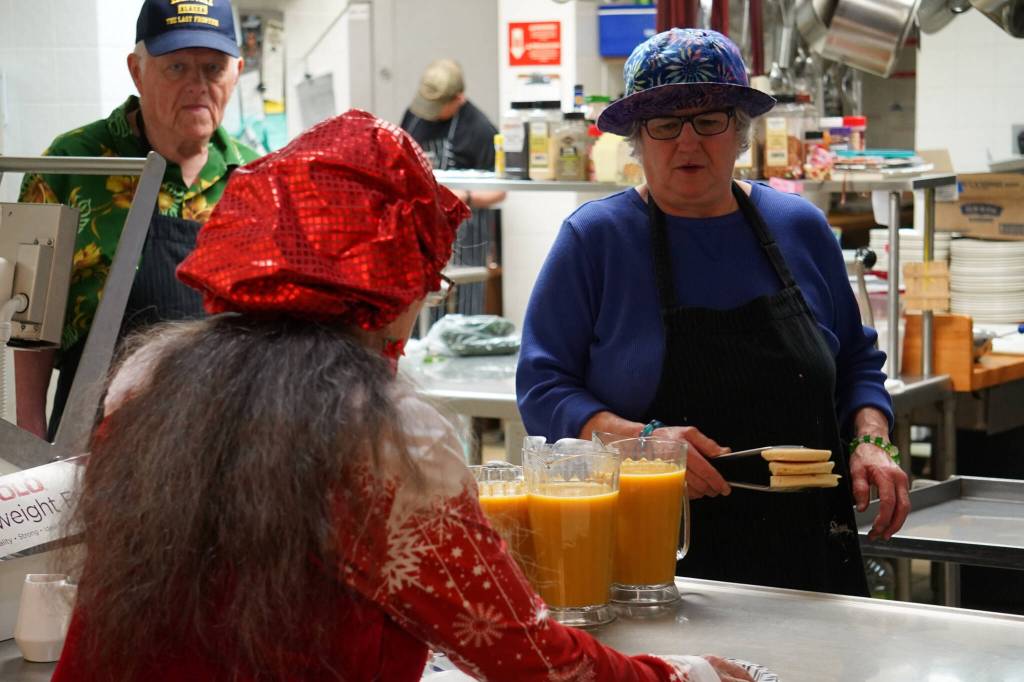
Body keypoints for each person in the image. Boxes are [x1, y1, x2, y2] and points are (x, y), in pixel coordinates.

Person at [53, 111, 752, 682]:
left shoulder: (148, 383)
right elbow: (529, 658)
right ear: (388, 279)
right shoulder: (380, 441)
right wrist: (688, 677)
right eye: (427, 276)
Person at [516, 28, 909, 597]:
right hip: (657, 560)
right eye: (665, 124)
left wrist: (872, 439)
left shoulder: (798, 227)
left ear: (740, 131)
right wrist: (641, 440)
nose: (688, 143)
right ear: (637, 137)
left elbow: (854, 360)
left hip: (811, 559)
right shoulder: (596, 240)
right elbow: (543, 389)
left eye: (709, 121)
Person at [15, 0, 259, 441]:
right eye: (177, 67)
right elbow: (32, 318)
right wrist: (30, 431)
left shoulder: (257, 180)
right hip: (95, 437)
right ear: (136, 71)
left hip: (226, 439)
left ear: (237, 72)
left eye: (213, 68)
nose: (198, 85)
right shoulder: (70, 163)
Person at [401, 58, 505, 319]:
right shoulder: (414, 116)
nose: (431, 112)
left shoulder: (480, 129)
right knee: (418, 305)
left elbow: (500, 192)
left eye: (439, 106)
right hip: (420, 227)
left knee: (464, 308)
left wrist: (465, 196)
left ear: (458, 98)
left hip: (466, 234)